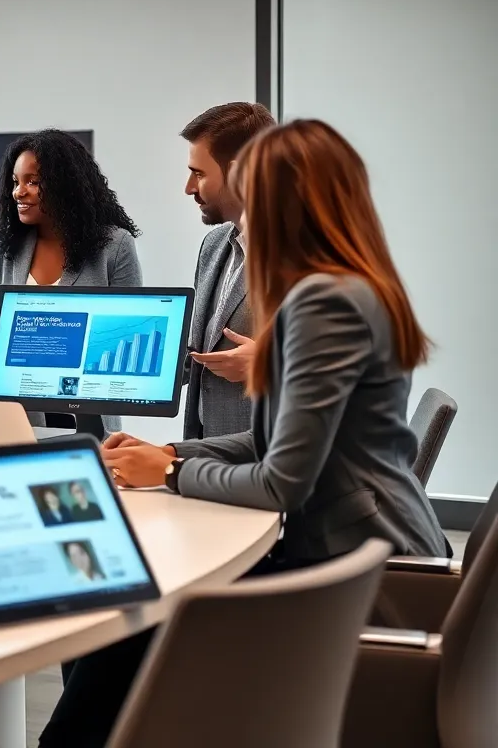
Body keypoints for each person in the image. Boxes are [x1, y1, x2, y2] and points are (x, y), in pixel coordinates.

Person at [39, 119, 449, 748]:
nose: (242, 218)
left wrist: (171, 473)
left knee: (134, 616)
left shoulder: (323, 304)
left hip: (355, 568)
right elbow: (271, 442)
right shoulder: (344, 289)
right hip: (343, 547)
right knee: (134, 617)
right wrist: (170, 450)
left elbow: (282, 480)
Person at [0, 129, 142, 432]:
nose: (18, 192)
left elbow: (130, 335)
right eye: (15, 182)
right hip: (15, 420)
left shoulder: (115, 245)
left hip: (90, 421)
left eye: (32, 182)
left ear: (65, 185)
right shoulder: (4, 248)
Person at [179, 102, 277, 439]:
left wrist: (268, 365)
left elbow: (340, 374)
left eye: (200, 173)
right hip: (209, 449)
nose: (189, 188)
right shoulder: (215, 244)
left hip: (271, 463)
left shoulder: (302, 257)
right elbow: (198, 351)